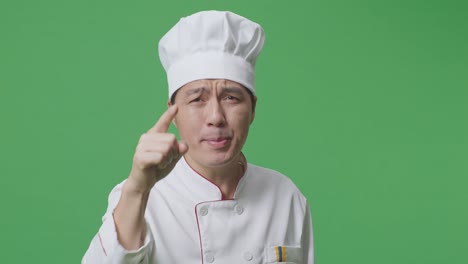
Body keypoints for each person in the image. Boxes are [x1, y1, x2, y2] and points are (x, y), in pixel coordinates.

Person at [82, 10, 314, 264]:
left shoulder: (285, 196)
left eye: (230, 97)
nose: (216, 116)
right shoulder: (139, 197)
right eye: (196, 99)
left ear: (253, 109)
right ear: (173, 112)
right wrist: (137, 189)